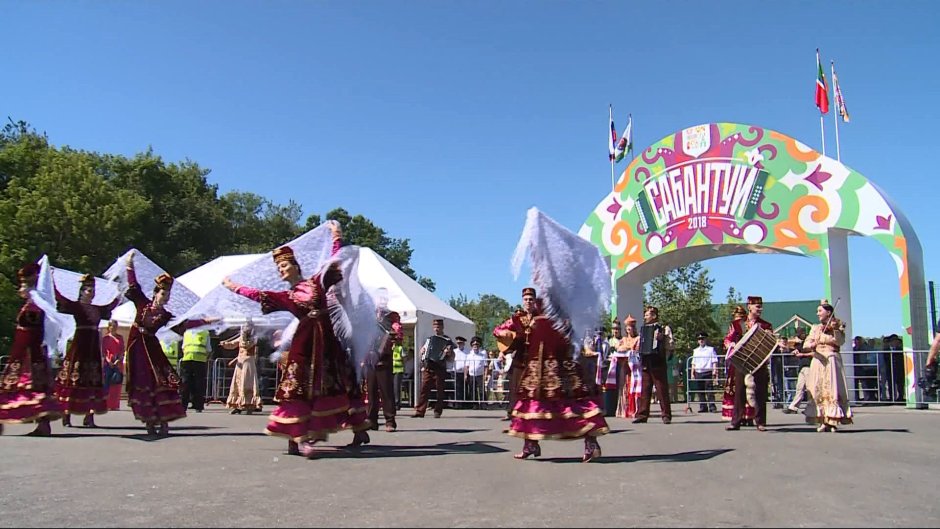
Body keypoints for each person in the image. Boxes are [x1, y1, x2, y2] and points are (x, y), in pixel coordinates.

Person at [223, 223, 371, 457]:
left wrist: (336, 236)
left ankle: (359, 428)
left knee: (341, 382)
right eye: (278, 268)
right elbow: (257, 294)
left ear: (295, 266)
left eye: (284, 265)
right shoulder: (286, 296)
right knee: (299, 388)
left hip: (327, 344)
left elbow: (333, 261)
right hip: (304, 345)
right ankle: (299, 438)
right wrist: (234, 287)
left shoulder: (316, 282)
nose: (281, 270)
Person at [495, 287, 609, 462]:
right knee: (532, 404)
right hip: (536, 366)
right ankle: (530, 444)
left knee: (572, 405)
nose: (529, 301)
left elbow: (570, 339)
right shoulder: (524, 316)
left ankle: (591, 443)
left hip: (560, 367)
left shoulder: (561, 314)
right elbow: (506, 332)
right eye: (526, 298)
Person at [123, 250, 217, 437]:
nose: (166, 297)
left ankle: (164, 420)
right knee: (142, 382)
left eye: (168, 294)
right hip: (136, 346)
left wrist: (205, 321)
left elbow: (183, 325)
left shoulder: (165, 315)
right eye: (163, 293)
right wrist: (129, 265)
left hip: (151, 346)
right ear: (156, 293)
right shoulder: (142, 303)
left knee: (161, 380)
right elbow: (133, 283)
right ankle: (149, 421)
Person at [0, 263, 63, 436]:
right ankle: (42, 425)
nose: (21, 288)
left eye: (24, 283)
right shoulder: (32, 303)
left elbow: (34, 329)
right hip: (26, 351)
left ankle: (42, 425)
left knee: (27, 387)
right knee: (28, 387)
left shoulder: (36, 305)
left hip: (29, 353)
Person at [54, 273, 120, 428]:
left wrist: (120, 292)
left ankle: (89, 416)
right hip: (80, 345)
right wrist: (51, 282)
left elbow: (111, 306)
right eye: (89, 290)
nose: (92, 293)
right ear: (82, 291)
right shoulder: (76, 307)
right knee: (74, 380)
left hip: (92, 348)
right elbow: (60, 298)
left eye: (93, 290)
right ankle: (66, 414)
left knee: (92, 382)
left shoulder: (97, 309)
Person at [802, 300, 853, 432]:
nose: (817, 313)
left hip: (831, 360)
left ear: (828, 312)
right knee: (818, 388)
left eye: (820, 311)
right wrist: (811, 345)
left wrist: (835, 329)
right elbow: (805, 344)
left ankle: (832, 421)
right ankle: (822, 420)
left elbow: (840, 341)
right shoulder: (815, 327)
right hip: (818, 360)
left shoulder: (837, 326)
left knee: (832, 389)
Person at [725, 296, 773, 432]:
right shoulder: (737, 324)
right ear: (749, 307)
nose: (760, 309)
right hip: (741, 361)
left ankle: (760, 422)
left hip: (759, 361)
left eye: (761, 306)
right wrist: (732, 344)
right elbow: (727, 339)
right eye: (757, 306)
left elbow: (770, 342)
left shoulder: (765, 325)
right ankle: (736, 421)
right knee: (739, 391)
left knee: (760, 392)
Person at [364, 303, 402, 432]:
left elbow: (398, 332)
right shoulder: (368, 318)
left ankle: (390, 420)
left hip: (384, 358)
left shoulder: (390, 317)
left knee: (386, 391)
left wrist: (395, 334)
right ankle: (371, 420)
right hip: (370, 359)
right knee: (371, 391)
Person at [633, 306, 673, 424]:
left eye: (647, 315)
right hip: (646, 361)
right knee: (645, 389)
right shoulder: (643, 329)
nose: (645, 317)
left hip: (658, 361)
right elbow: (640, 344)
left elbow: (670, 345)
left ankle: (666, 415)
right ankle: (642, 415)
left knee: (661, 389)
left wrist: (662, 339)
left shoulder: (664, 328)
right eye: (645, 315)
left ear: (654, 316)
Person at [413, 319, 456, 419]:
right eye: (435, 327)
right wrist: (423, 350)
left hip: (440, 367)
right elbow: (423, 351)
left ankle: (438, 411)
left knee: (440, 390)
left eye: (438, 327)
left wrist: (448, 352)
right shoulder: (430, 339)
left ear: (442, 327)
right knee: (424, 389)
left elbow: (451, 356)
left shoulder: (447, 340)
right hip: (429, 366)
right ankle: (420, 411)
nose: (437, 329)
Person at [220, 323, 262, 415]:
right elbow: (233, 344)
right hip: (240, 361)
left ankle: (249, 405)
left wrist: (243, 335)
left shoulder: (253, 338)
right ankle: (237, 405)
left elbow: (246, 345)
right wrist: (225, 344)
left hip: (248, 362)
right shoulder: (241, 337)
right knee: (238, 382)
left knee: (246, 383)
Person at [614, 314, 641, 418]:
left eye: (632, 328)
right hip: (625, 366)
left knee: (634, 386)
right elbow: (619, 348)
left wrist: (627, 348)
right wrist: (626, 347)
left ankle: (635, 409)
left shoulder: (638, 338)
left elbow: (636, 349)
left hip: (634, 367)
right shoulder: (624, 339)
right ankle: (624, 409)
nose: (630, 330)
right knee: (624, 386)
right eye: (628, 328)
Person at [180, 327, 212, 413]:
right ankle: (198, 405)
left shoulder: (186, 332)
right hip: (199, 360)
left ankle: (184, 405)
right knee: (198, 383)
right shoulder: (205, 332)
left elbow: (183, 347)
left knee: (186, 383)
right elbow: (208, 349)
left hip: (187, 359)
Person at [689, 332, 718, 413]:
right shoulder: (696, 350)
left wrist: (715, 370)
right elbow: (693, 363)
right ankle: (703, 407)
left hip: (707, 371)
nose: (701, 340)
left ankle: (712, 407)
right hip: (699, 372)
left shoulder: (710, 349)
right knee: (700, 391)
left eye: (702, 339)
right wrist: (692, 373)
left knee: (709, 390)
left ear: (705, 339)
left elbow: (714, 360)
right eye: (699, 339)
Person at [784, 331, 812, 413]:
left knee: (810, 388)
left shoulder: (811, 343)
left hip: (809, 366)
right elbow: (795, 349)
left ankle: (811, 408)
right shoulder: (801, 344)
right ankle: (793, 407)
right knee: (799, 388)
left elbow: (814, 353)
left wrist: (803, 355)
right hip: (802, 367)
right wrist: (795, 351)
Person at [101, 320, 125, 411]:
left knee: (116, 383)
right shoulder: (106, 338)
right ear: (109, 327)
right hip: (108, 362)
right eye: (112, 326)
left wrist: (118, 360)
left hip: (118, 363)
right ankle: (106, 404)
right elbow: (104, 352)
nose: (113, 327)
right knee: (107, 384)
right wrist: (109, 361)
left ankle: (114, 404)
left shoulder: (120, 337)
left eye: (115, 326)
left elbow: (122, 350)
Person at [464, 336, 487, 407]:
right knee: (472, 390)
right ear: (471, 345)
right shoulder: (469, 355)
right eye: (474, 344)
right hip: (471, 375)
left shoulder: (483, 355)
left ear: (479, 345)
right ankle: (475, 404)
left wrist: (485, 375)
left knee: (481, 390)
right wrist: (465, 375)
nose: (475, 346)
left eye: (477, 344)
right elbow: (466, 366)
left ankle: (483, 404)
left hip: (480, 375)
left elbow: (485, 366)